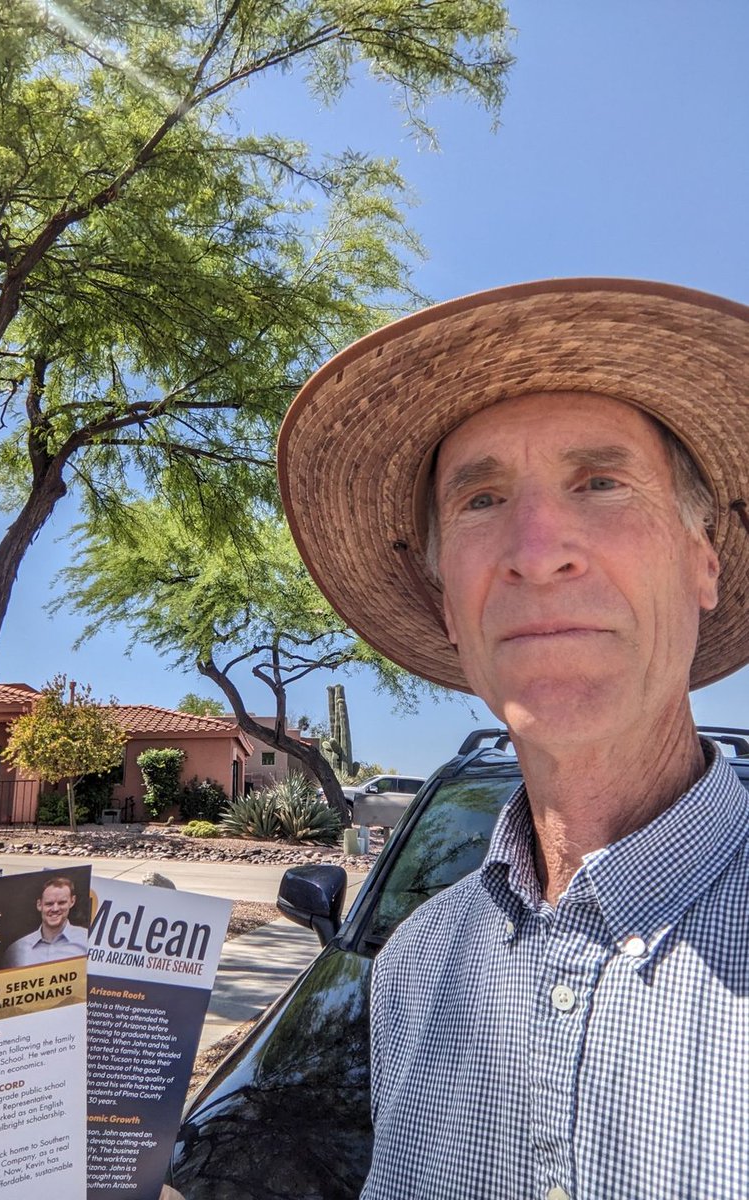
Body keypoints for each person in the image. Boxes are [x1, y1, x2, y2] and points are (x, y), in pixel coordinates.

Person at [278, 279, 749, 1199]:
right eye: (482, 500)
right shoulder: (413, 968)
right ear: (447, 602)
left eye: (601, 483)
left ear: (704, 562)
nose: (537, 549)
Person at [5, 874, 89, 967]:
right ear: (39, 905)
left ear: (72, 901)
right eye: (49, 904)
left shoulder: (87, 940)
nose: (55, 909)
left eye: (61, 903)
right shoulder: (16, 950)